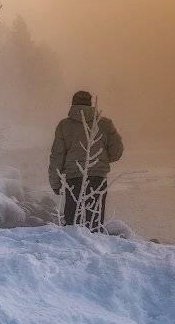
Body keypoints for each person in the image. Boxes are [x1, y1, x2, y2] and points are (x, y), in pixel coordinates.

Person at [48, 90, 123, 230]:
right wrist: (102, 160)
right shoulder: (105, 124)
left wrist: (55, 183)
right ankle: (93, 246)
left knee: (72, 222)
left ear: (73, 104)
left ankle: (73, 248)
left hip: (73, 178)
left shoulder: (64, 125)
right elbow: (117, 151)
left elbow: (57, 156)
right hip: (98, 178)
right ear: (90, 104)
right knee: (94, 221)